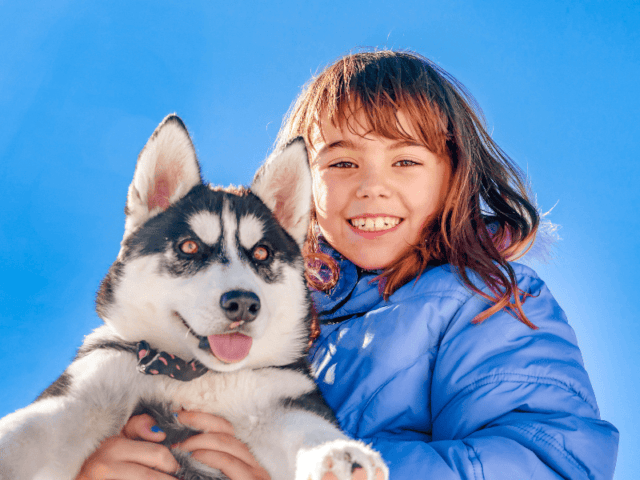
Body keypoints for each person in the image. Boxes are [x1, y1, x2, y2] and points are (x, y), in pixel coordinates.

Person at [77, 50, 619, 479]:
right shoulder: (268, 318)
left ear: (453, 176)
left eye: (405, 160)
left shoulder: (488, 299)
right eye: (341, 162)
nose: (372, 186)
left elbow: (550, 461)